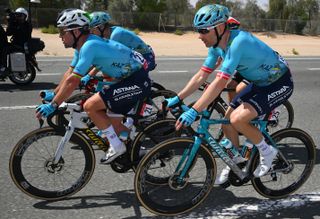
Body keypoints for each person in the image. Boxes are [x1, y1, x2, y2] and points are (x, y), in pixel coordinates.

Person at [165, 4, 293, 184]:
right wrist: (179, 97)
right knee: (227, 123)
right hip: (258, 83)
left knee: (237, 119)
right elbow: (202, 75)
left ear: (219, 28)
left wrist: (194, 110)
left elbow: (219, 82)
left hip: (279, 82)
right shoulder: (216, 46)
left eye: (203, 31)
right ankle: (237, 162)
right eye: (198, 31)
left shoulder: (238, 42)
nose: (199, 36)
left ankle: (268, 153)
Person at [35, 9, 151, 164]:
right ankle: (141, 153)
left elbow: (73, 81)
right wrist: (54, 94)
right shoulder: (82, 47)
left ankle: (117, 147)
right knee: (114, 127)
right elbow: (69, 75)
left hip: (136, 80)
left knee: (90, 106)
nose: (60, 36)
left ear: (75, 31)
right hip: (126, 79)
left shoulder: (90, 45)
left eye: (63, 31)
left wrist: (54, 104)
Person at [40, 11, 156, 102]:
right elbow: (70, 71)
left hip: (145, 57)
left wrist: (88, 75)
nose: (90, 32)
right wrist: (55, 94)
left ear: (101, 27)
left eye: (92, 29)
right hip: (129, 60)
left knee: (116, 83)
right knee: (107, 77)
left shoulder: (116, 34)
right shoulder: (89, 42)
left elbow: (106, 59)